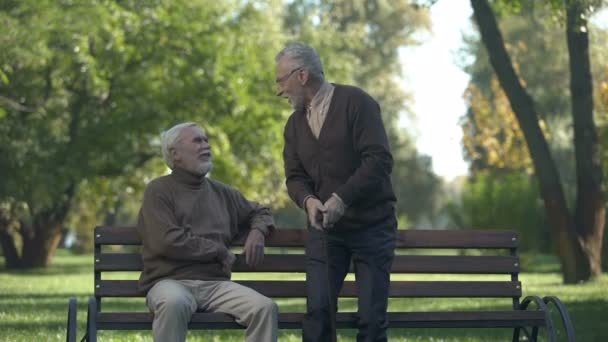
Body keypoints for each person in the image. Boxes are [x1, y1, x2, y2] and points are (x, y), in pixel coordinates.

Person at [276, 43, 397, 342]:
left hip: (371, 228)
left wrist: (342, 199)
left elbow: (379, 160)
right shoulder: (293, 126)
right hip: (326, 234)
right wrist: (310, 201)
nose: (279, 90)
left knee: (370, 320)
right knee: (318, 315)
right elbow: (294, 177)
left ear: (301, 75)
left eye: (281, 80)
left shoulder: (357, 102)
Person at [136, 122, 278, 342]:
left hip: (215, 284)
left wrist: (258, 232)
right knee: (174, 303)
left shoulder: (223, 192)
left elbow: (261, 211)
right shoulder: (158, 190)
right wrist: (218, 251)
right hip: (169, 282)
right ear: (175, 154)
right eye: (197, 141)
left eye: (206, 140)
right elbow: (165, 241)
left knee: (264, 308)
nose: (206, 145)